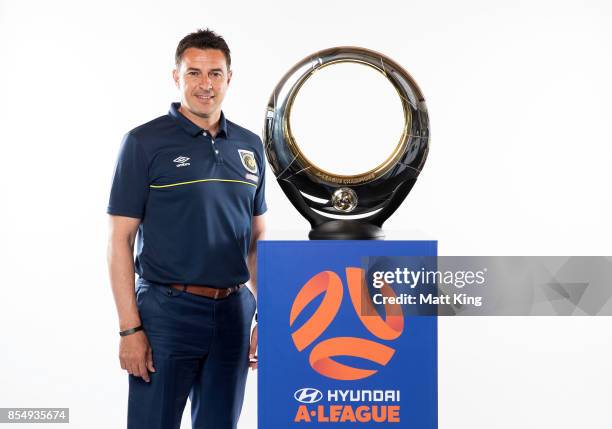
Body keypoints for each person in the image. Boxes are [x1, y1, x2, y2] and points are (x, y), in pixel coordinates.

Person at [106, 28, 266, 429]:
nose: (205, 84)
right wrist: (130, 329)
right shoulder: (143, 142)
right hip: (166, 313)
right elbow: (120, 241)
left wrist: (268, 313)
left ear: (230, 78)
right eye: (194, 73)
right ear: (176, 77)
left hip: (233, 313)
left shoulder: (250, 146)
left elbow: (257, 240)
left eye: (215, 73)